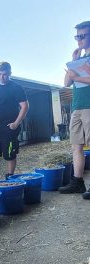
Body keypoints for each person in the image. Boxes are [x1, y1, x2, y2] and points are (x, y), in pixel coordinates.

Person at [59, 21, 90, 198]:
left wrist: (77, 75)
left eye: (82, 36)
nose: (78, 39)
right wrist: (73, 61)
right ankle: (77, 182)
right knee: (76, 145)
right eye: (76, 36)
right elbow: (66, 83)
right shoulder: (78, 59)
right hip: (77, 106)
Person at [0, 62, 29, 181]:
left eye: (4, 74)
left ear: (10, 73)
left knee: (9, 154)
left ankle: (10, 177)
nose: (2, 77)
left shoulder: (16, 87)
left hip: (10, 127)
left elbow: (25, 106)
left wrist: (16, 123)